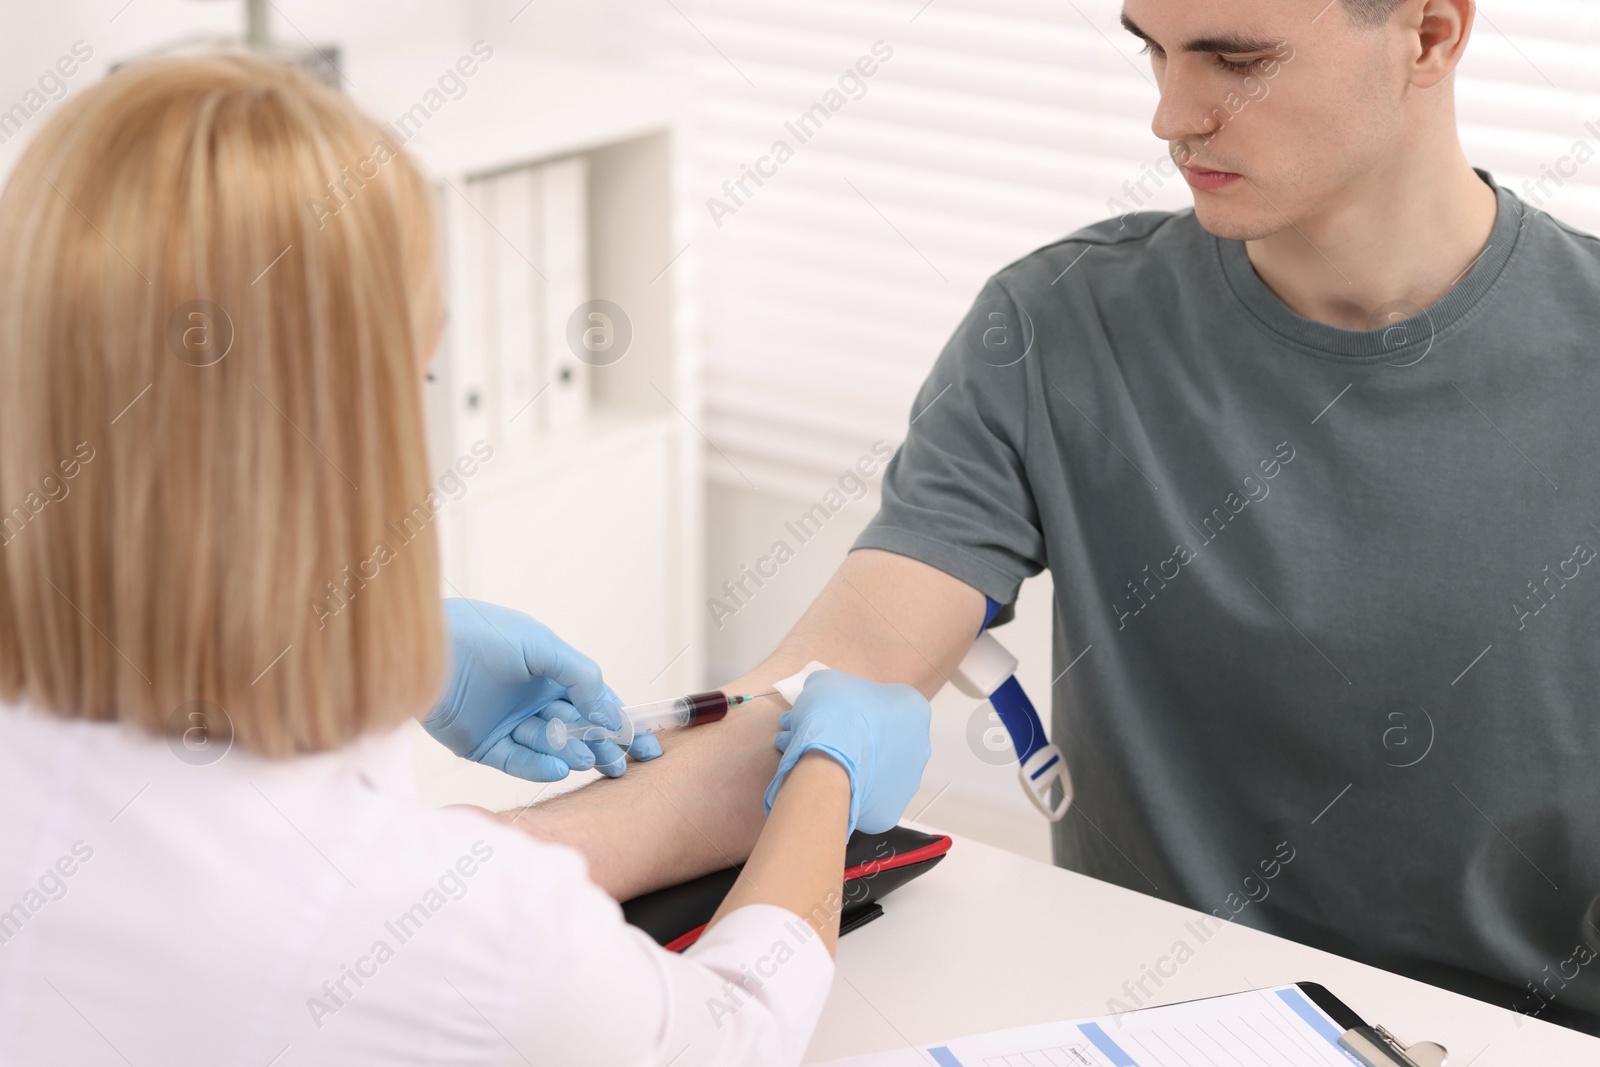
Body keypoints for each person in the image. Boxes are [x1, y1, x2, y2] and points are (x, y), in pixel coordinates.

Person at [494, 0, 1600, 1034]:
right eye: (1151, 49)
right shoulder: (1058, 328)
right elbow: (819, 693)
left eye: (1237, 58)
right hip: (1143, 1021)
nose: (1170, 113)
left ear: (1431, 33)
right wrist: (443, 874)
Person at [0, 54, 931, 1065]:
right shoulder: (442, 934)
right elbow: (733, 1029)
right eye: (421, 367)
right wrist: (826, 774)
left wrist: (355, 636)